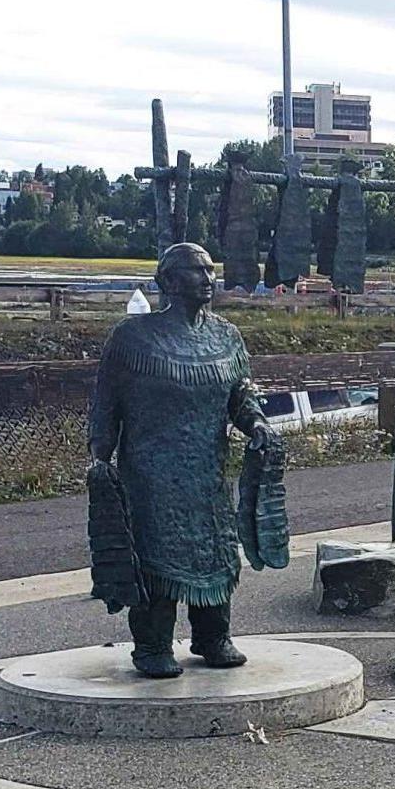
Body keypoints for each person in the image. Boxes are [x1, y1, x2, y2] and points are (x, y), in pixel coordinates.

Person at [87, 243, 277, 678]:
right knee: (155, 556)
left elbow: (240, 395)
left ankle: (213, 636)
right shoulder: (132, 338)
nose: (207, 279)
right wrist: (100, 455)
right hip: (150, 473)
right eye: (196, 272)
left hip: (207, 471)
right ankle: (152, 645)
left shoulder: (227, 336)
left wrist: (258, 424)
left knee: (215, 550)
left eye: (210, 270)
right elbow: (106, 402)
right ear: (168, 281)